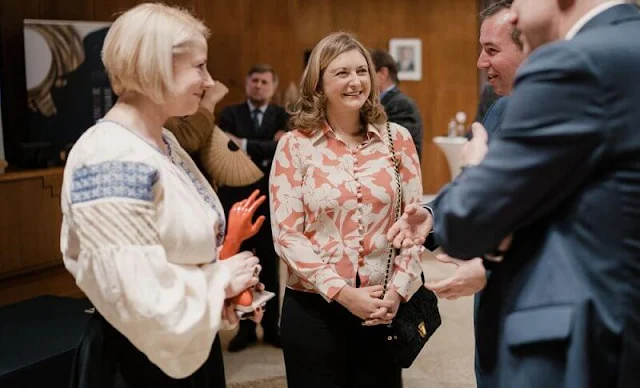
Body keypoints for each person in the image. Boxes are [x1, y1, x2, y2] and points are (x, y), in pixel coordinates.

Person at [388, 1, 640, 386]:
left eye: (492, 50)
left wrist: (473, 170)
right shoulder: (626, 43)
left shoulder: (577, 63)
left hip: (585, 337)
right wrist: (436, 212)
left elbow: (473, 217)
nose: (519, 9)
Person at [60, 4, 263, 387]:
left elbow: (174, 252)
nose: (209, 80)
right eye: (199, 66)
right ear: (155, 66)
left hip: (183, 352)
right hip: (136, 364)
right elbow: (134, 294)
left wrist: (217, 299)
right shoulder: (109, 154)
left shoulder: (164, 140)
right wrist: (220, 280)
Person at [269, 32, 425, 388]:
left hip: (382, 311)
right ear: (319, 83)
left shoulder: (396, 138)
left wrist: (397, 291)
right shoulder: (295, 145)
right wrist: (343, 293)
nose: (355, 82)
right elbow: (287, 235)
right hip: (315, 311)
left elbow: (414, 224)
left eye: (362, 71)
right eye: (341, 73)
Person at [217, 64, 288, 351]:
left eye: (264, 82)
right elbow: (224, 149)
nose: (258, 85)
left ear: (273, 87)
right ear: (247, 84)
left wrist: (244, 144)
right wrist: (265, 147)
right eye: (254, 81)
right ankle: (244, 329)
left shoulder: (284, 115)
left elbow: (283, 149)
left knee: (270, 265)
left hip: (271, 199)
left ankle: (272, 327)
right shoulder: (229, 114)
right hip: (236, 200)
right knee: (241, 264)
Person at [370, 49, 424, 160]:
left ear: (383, 73)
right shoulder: (380, 102)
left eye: (367, 72)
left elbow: (401, 150)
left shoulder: (403, 105)